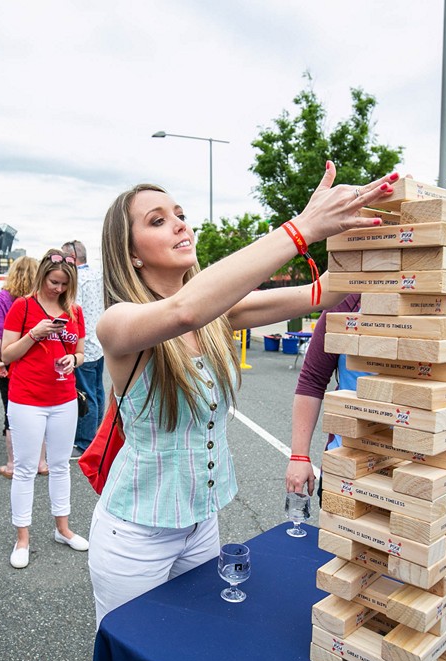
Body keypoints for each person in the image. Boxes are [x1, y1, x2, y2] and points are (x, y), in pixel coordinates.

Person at [87, 164, 401, 624]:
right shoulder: (118, 322)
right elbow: (183, 311)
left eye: (179, 213)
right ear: (131, 254)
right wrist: (302, 227)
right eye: (157, 220)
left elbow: (325, 291)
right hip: (134, 537)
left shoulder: (216, 315)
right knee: (136, 648)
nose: (179, 224)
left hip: (201, 526)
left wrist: (397, 220)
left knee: (194, 644)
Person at [286, 291, 446, 497]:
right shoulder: (346, 304)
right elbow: (312, 381)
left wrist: (439, 417)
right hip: (349, 463)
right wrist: (299, 455)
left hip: (431, 469)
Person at [1, 250, 88, 569]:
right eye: (54, 282)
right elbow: (6, 355)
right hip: (26, 397)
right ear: (42, 277)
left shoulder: (74, 310)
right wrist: (34, 334)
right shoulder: (22, 306)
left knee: (61, 465)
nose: (58, 289)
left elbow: (80, 351)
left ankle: (62, 529)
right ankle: (22, 537)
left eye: (65, 284)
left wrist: (73, 359)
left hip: (64, 396)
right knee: (25, 469)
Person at [0, 256, 47, 478]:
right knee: (41, 410)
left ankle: (13, 464)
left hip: (11, 362)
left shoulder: (2, 299)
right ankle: (41, 462)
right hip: (37, 364)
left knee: (12, 413)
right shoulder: (39, 300)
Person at [62, 239, 105, 456]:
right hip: (99, 342)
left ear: (72, 258)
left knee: (85, 394)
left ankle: (85, 441)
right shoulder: (99, 276)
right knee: (97, 390)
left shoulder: (76, 280)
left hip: (84, 344)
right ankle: (97, 435)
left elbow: (72, 312)